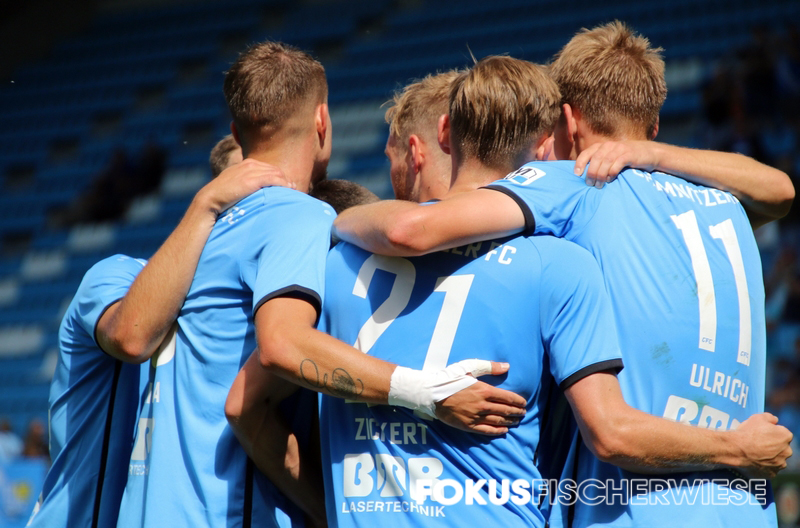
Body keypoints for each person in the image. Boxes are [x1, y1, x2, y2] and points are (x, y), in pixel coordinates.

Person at [332, 23, 795, 527]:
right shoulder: (724, 203)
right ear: (655, 124)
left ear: (568, 122)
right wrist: (657, 155)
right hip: (744, 507)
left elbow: (412, 230)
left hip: (637, 507)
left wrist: (334, 220)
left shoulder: (579, 183)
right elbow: (781, 191)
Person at [122, 41, 524, 528]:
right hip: (221, 511)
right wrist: (421, 390)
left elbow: (130, 336)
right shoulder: (299, 215)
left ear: (237, 133)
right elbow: (280, 346)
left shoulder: (206, 228)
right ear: (322, 121)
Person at [26, 144, 288, 528]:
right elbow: (131, 336)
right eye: (245, 190)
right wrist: (204, 205)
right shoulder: (116, 276)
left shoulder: (262, 316)